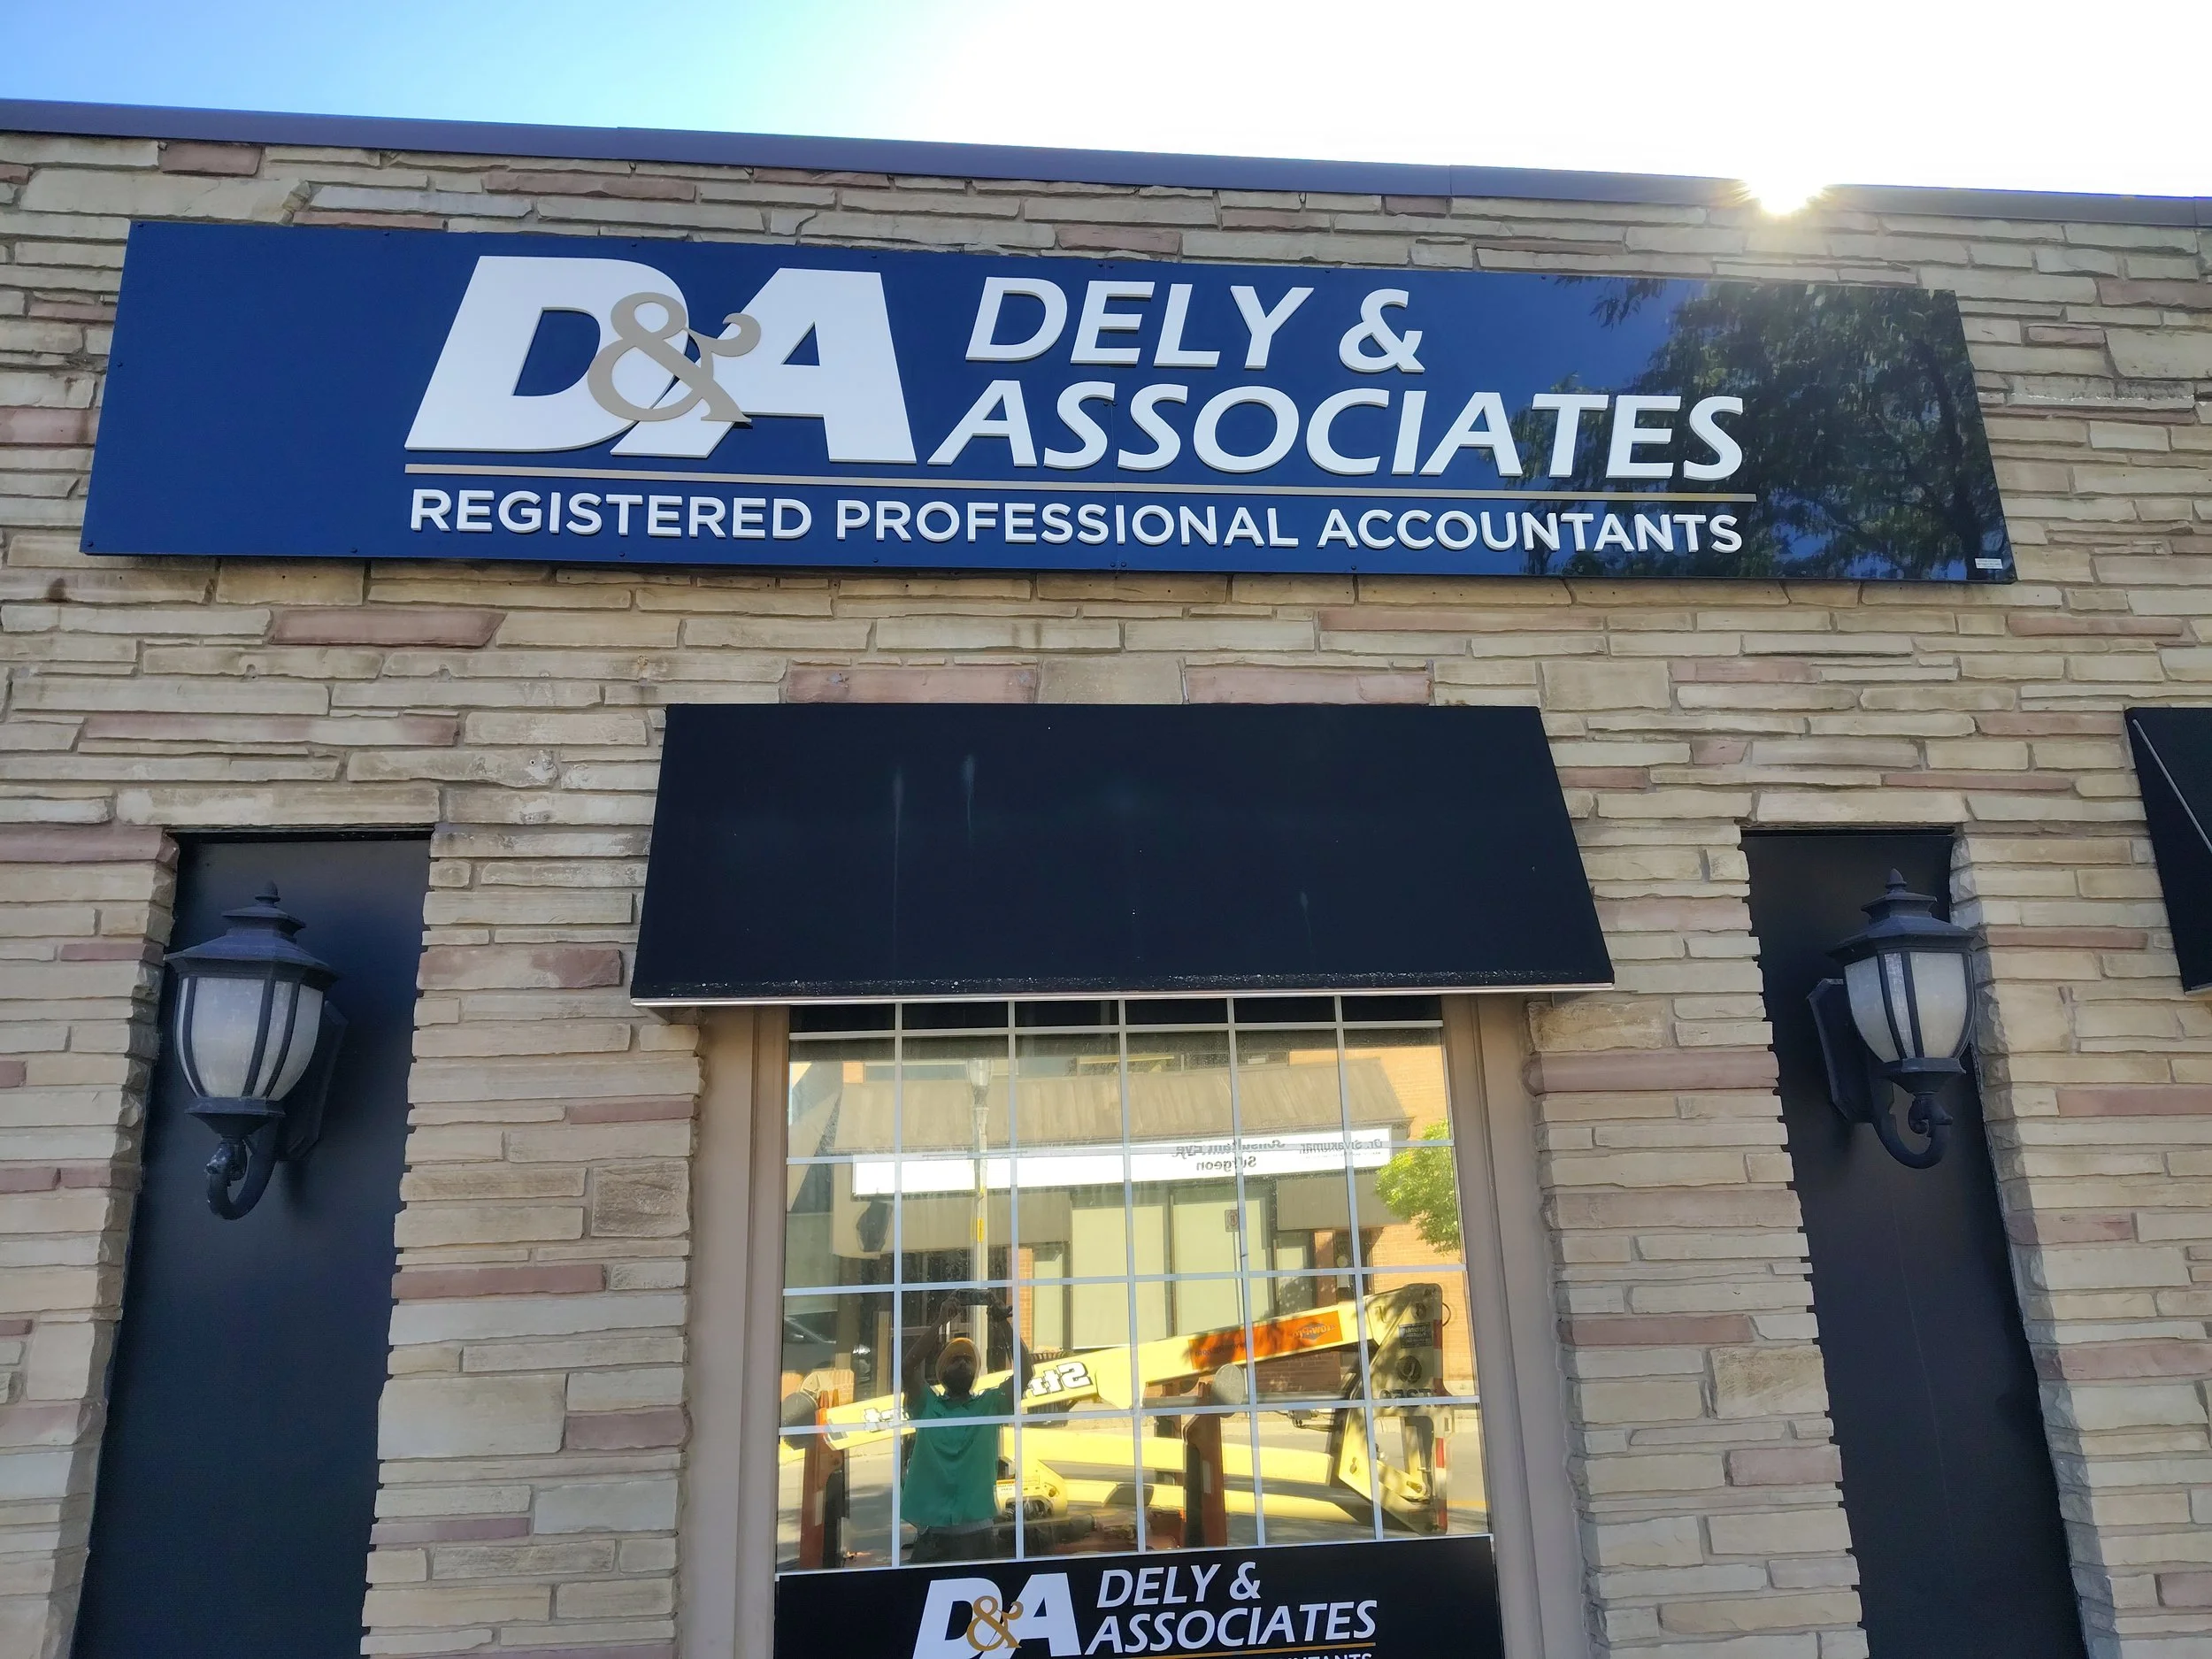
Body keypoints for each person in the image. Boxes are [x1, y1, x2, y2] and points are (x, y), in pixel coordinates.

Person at [900, 1293, 1030, 1562]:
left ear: (974, 1374)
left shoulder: (991, 1405)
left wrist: (1001, 1321)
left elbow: (1026, 1371)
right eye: (955, 1359)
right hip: (932, 1538)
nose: (962, 1362)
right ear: (941, 1371)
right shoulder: (926, 1404)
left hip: (978, 1539)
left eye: (968, 1360)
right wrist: (940, 1322)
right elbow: (908, 1366)